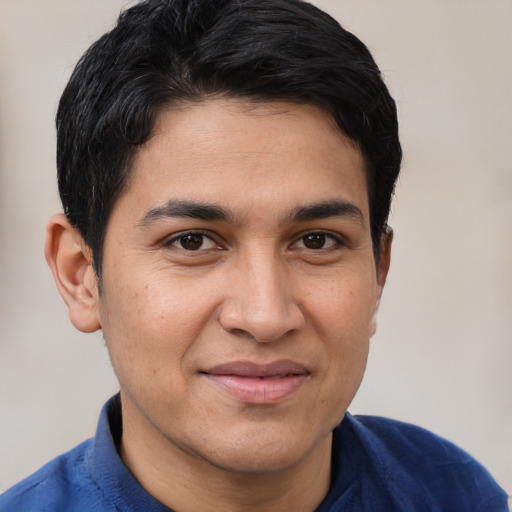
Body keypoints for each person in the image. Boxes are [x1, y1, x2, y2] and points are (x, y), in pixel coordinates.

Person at [0, 0, 508, 510]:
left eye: (316, 241)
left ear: (379, 270)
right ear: (81, 275)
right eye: (192, 241)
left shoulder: (456, 495)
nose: (265, 316)